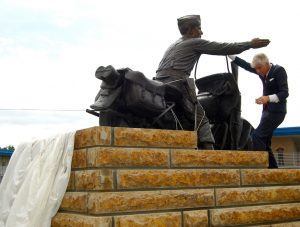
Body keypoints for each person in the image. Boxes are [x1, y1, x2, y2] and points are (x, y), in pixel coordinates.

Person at [155, 14, 270, 149]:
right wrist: (249, 44)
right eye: (199, 28)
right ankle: (209, 150)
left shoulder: (174, 44)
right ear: (191, 30)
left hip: (160, 84)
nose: (201, 32)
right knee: (201, 118)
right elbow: (222, 47)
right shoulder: (193, 42)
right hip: (178, 83)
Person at [228, 53, 289, 168]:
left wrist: (268, 98)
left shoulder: (278, 70)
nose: (258, 71)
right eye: (256, 69)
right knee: (265, 141)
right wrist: (228, 52)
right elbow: (246, 65)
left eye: (259, 68)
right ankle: (273, 170)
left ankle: (260, 167)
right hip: (266, 112)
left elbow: (285, 93)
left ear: (266, 64)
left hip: (277, 112)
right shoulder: (261, 70)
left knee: (257, 136)